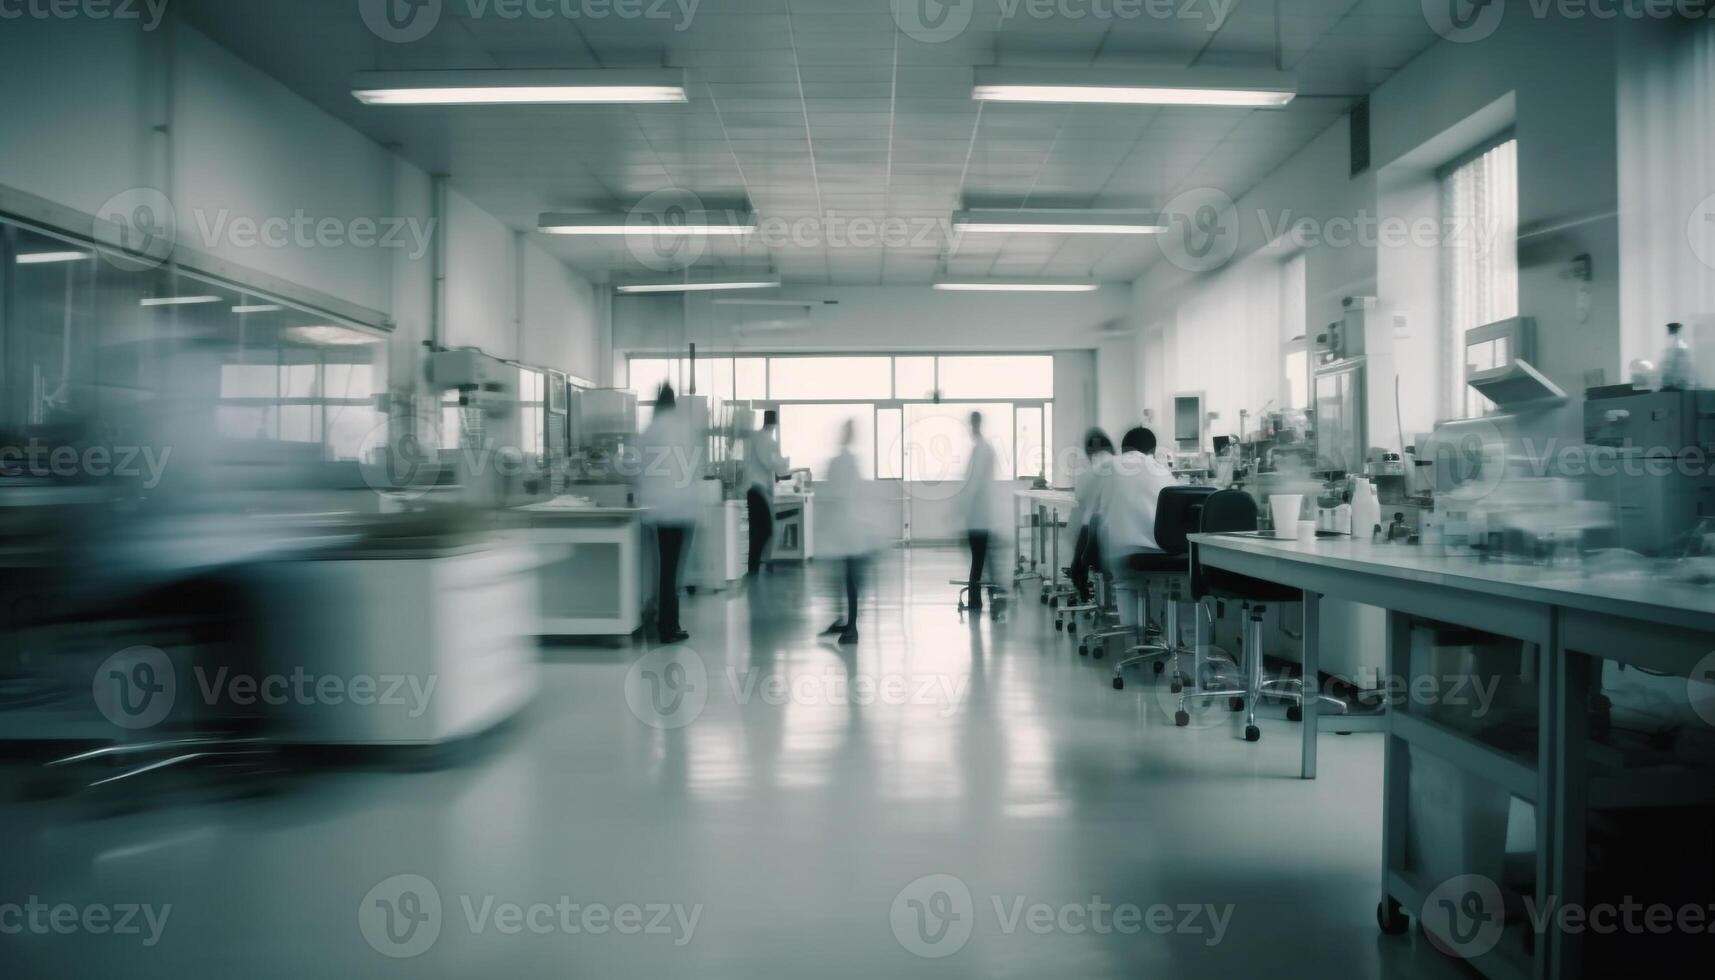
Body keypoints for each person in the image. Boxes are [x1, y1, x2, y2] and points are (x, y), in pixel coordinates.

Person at [635, 383, 701, 643]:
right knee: (672, 571)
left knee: (663, 569)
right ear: (674, 403)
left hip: (656, 509)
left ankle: (662, 619)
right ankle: (668, 626)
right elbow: (694, 468)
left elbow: (637, 468)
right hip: (681, 509)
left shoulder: (649, 431)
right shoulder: (684, 428)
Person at [817, 419, 885, 645]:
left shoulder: (843, 462)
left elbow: (842, 493)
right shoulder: (846, 461)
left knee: (850, 580)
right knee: (845, 579)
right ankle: (845, 622)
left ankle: (851, 627)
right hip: (845, 530)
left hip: (849, 530)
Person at [1101, 426, 1180, 560]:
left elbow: (1090, 517)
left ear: (1123, 449)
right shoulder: (1165, 474)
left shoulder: (1108, 466)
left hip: (1119, 554)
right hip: (1165, 551)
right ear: (1153, 451)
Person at [959, 411, 1002, 612]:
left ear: (976, 424)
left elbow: (974, 484)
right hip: (980, 514)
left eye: (972, 424)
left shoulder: (982, 449)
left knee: (979, 558)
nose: (970, 428)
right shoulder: (982, 448)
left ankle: (978, 600)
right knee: (983, 558)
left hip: (978, 515)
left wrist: (962, 510)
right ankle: (993, 596)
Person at [1069, 428, 1116, 600]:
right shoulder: (1122, 466)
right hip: (1121, 535)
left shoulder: (1092, 470)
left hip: (1096, 536)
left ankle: (1085, 589)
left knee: (1084, 524)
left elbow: (1080, 497)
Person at [742, 410, 789, 576]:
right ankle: (755, 566)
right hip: (759, 490)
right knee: (765, 530)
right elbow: (770, 463)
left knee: (757, 530)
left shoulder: (756, 438)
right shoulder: (767, 440)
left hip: (753, 489)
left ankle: (754, 566)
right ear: (774, 424)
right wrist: (783, 464)